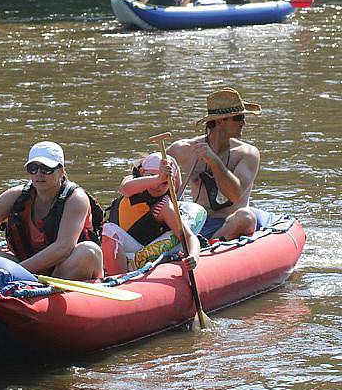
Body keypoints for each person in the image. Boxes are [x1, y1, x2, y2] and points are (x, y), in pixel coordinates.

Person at [0, 141, 104, 280]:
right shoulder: (18, 195)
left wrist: (16, 271)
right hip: (28, 268)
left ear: (61, 171)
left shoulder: (76, 199)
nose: (39, 174)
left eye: (46, 169)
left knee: (89, 250)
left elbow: (63, 248)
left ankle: (34, 288)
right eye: (33, 168)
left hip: (64, 270)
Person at [166, 87, 275, 242]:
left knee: (246, 217)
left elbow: (235, 195)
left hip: (228, 223)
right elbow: (147, 168)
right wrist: (161, 171)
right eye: (238, 118)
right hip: (196, 222)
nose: (243, 123)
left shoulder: (248, 153)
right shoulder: (184, 149)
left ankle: (207, 245)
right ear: (219, 121)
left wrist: (214, 161)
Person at [101, 152, 206, 275]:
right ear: (141, 173)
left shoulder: (165, 206)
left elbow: (189, 237)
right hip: (123, 246)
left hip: (140, 252)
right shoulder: (130, 181)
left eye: (165, 183)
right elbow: (125, 189)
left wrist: (194, 255)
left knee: (109, 229)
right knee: (108, 229)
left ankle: (119, 278)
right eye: (152, 176)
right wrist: (158, 178)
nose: (158, 186)